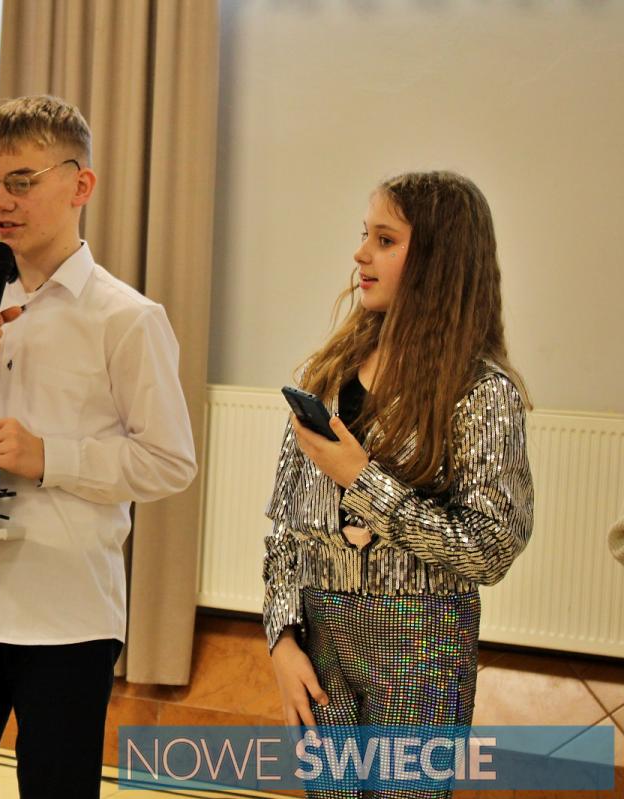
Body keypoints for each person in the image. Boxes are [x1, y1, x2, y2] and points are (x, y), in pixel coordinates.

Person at [0, 95, 197, 798]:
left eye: (21, 182)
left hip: (65, 617)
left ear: (80, 185)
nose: (2, 202)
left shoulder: (127, 319)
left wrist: (47, 456)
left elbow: (169, 461)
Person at [262, 171, 534, 796]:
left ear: (438, 260)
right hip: (322, 642)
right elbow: (285, 529)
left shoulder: (482, 392)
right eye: (366, 235)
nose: (361, 254)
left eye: (385, 240)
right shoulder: (327, 374)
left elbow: (490, 549)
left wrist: (363, 481)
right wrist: (281, 639)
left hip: (425, 646)